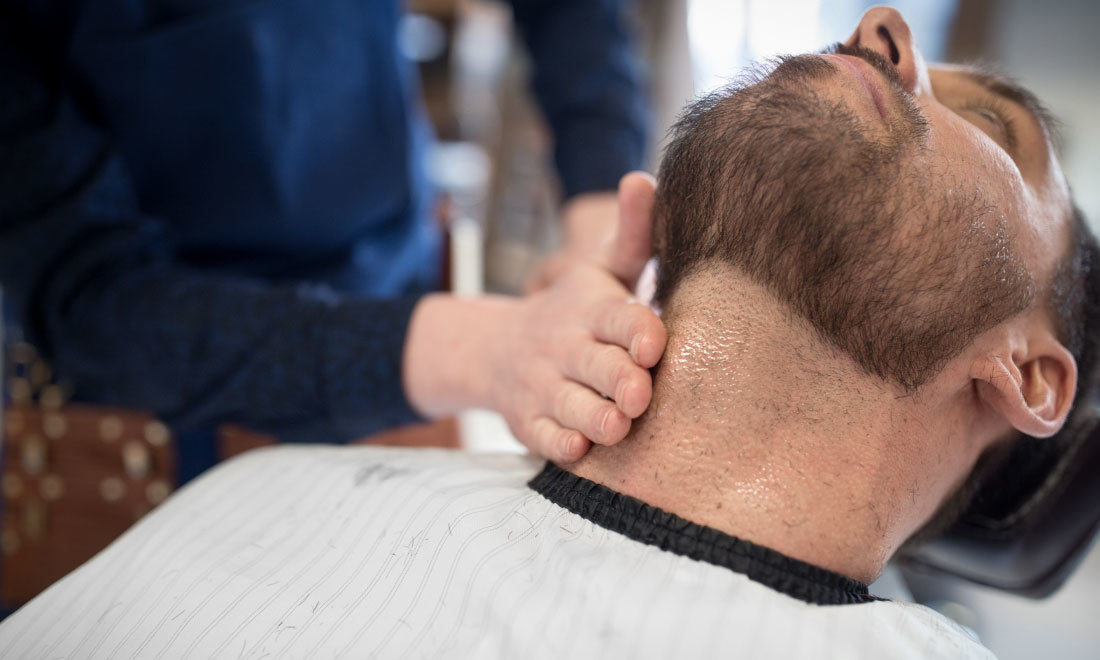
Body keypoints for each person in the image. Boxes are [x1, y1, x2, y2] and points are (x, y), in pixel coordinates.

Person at [2, 6, 1096, 657]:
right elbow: (84, 301)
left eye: (991, 123)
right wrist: (478, 349)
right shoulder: (247, 505)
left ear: (1029, 376)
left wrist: (590, 198)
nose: (878, 26)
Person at [0, 0, 666, 478]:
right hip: (149, 415)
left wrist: (601, 210)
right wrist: (483, 350)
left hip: (400, 311)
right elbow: (92, 299)